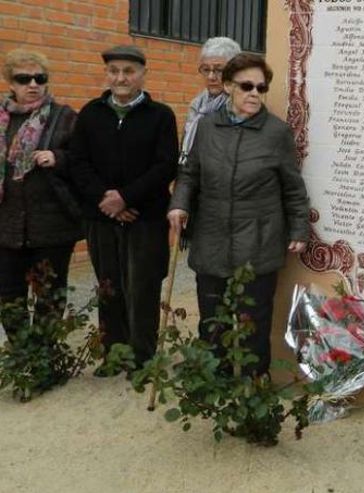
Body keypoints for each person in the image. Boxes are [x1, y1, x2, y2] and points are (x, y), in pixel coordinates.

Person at [168, 53, 310, 377]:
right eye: (247, 86)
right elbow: (189, 174)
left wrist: (299, 230)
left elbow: (292, 187)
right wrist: (179, 204)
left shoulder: (276, 133)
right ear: (229, 85)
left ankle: (251, 394)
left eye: (261, 87)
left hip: (258, 241)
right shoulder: (206, 126)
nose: (255, 94)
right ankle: (214, 388)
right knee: (212, 322)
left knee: (253, 327)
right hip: (212, 237)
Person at [68, 45, 178, 371]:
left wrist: (127, 198)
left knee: (142, 287)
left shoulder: (161, 116)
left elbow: (165, 166)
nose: (121, 77)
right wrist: (107, 200)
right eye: (114, 71)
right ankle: (114, 354)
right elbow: (78, 163)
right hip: (101, 217)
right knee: (108, 286)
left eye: (128, 71)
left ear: (143, 74)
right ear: (107, 74)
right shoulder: (91, 113)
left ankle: (143, 357)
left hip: (146, 217)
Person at [0, 49, 80, 334]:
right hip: (7, 226)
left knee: (49, 296)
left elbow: (85, 160)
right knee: (8, 296)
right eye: (24, 78)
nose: (33, 84)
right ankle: (22, 356)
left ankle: (44, 362)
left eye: (39, 78)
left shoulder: (64, 117)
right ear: (10, 83)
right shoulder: (1, 119)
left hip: (52, 225)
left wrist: (58, 157)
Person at [180, 36, 241, 166]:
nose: (211, 77)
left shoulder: (240, 107)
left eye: (219, 70)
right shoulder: (197, 105)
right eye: (206, 70)